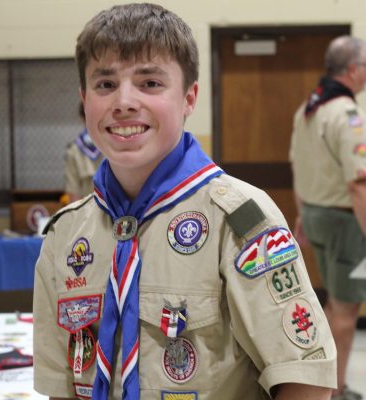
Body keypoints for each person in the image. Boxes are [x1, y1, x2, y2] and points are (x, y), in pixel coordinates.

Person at [33, 4, 336, 400]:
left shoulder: (240, 218)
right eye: (105, 85)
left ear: (189, 97)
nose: (123, 101)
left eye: (150, 83)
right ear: (84, 99)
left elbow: (305, 379)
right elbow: (62, 387)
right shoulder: (65, 234)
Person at [290, 35, 366, 400]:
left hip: (316, 216)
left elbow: (297, 166)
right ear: (352, 69)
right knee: (346, 310)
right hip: (343, 221)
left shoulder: (309, 108)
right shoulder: (348, 115)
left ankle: (323, 382)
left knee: (330, 305)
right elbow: (359, 185)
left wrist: (302, 215)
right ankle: (335, 392)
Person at [64, 102, 103, 202]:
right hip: (87, 214)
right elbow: (74, 196)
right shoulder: (74, 151)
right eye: (88, 116)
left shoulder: (115, 145)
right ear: (82, 118)